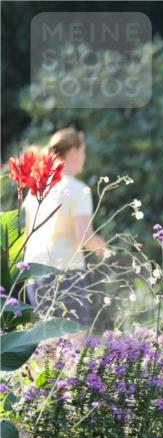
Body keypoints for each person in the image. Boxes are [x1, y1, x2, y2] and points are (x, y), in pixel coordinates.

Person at [22, 128, 107, 332]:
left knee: (48, 343)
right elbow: (84, 236)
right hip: (65, 273)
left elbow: (25, 233)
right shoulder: (78, 189)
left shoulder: (37, 189)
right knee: (74, 344)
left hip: (34, 272)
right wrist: (106, 248)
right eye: (83, 151)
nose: (84, 157)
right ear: (73, 151)